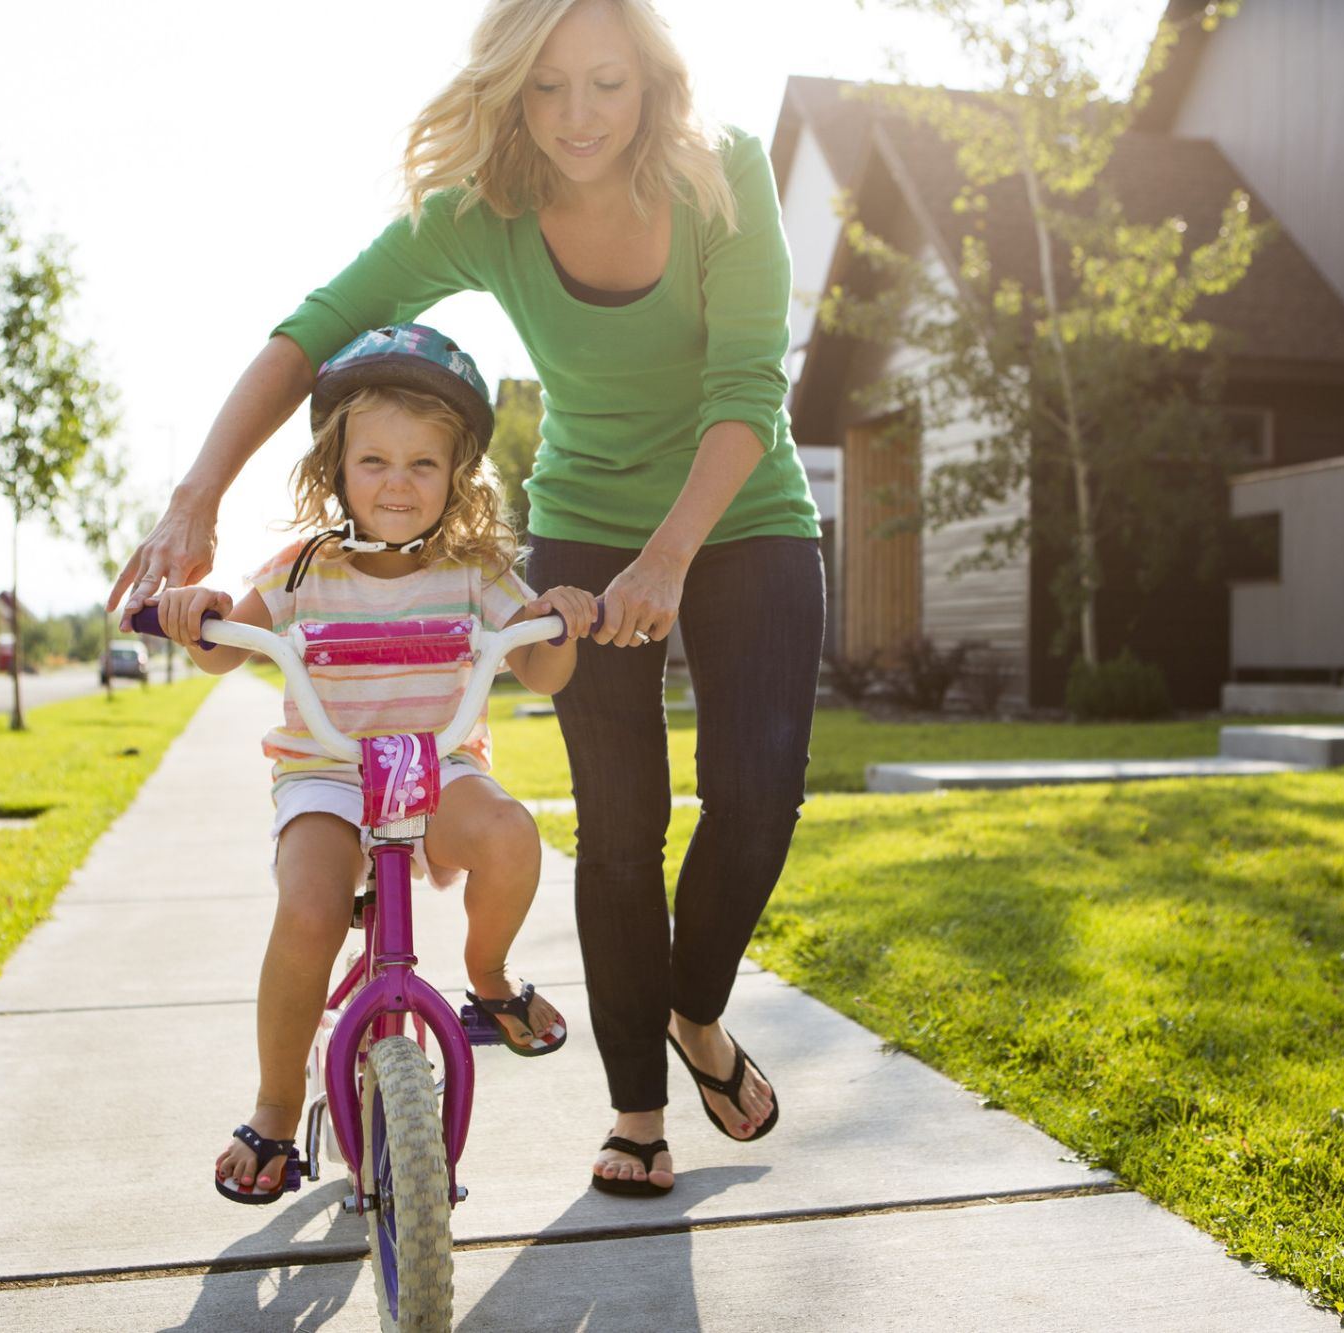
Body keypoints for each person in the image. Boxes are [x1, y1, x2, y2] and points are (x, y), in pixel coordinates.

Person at [112, 0, 822, 1197]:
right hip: (587, 517)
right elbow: (312, 332)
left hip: (738, 511)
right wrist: (196, 496)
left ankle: (693, 1014)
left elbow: (748, 390)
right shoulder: (486, 210)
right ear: (508, 91)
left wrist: (670, 557)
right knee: (620, 823)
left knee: (755, 802)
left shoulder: (726, 169)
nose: (577, 117)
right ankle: (637, 1116)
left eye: (604, 84)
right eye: (545, 89)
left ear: (650, 76)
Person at [146, 324, 601, 1205]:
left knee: (511, 836)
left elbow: (542, 669)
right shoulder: (302, 570)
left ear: (458, 475)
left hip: (436, 766)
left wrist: (557, 617)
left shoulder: (476, 571)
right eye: (376, 462)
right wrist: (198, 609)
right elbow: (224, 647)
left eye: (423, 465)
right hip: (328, 771)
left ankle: (491, 979)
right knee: (311, 908)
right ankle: (278, 1108)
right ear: (336, 469)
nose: (398, 484)